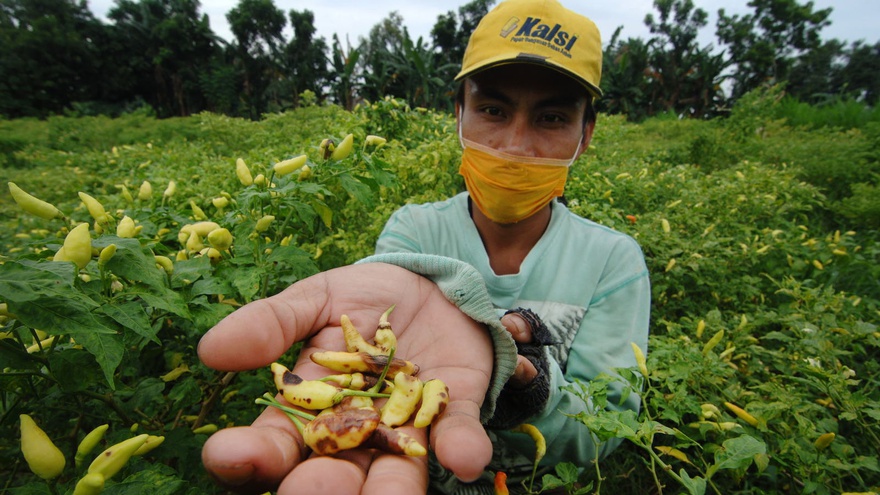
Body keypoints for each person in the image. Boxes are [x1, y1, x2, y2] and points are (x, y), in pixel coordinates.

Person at [197, 0, 651, 494]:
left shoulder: (612, 260)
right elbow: (380, 326)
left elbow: (608, 428)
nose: (516, 146)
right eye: (493, 110)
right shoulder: (413, 229)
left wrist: (527, 382)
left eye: (552, 118)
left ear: (586, 135)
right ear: (458, 115)